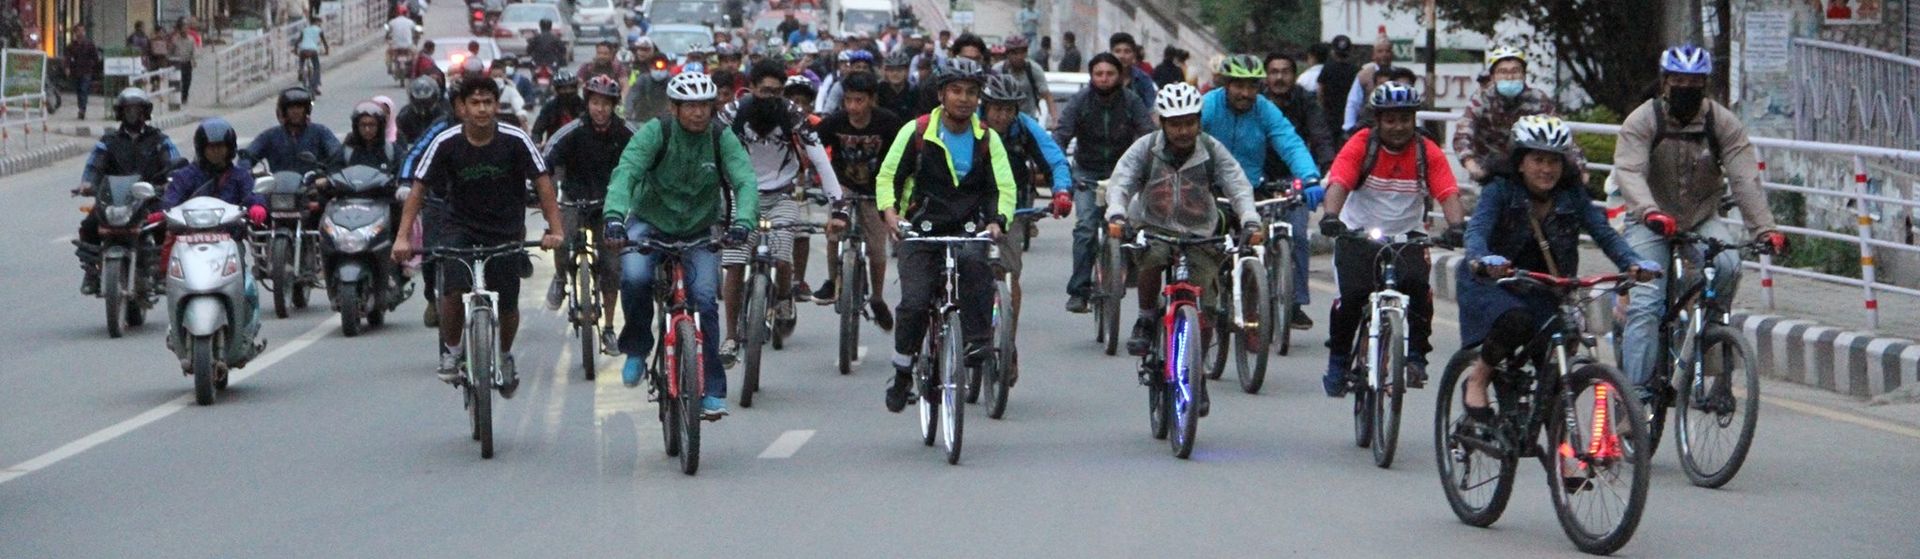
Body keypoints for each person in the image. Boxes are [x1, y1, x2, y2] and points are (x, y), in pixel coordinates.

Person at [1455, 116, 1660, 429]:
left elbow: (1603, 232)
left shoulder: (1571, 195)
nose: (1546, 170)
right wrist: (1484, 258)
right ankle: (1479, 377)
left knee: (1557, 366)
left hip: (1544, 286)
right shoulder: (1500, 190)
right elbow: (1477, 231)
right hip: (1494, 281)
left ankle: (1564, 460)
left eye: (1554, 161)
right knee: (1515, 321)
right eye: (1537, 160)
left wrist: (1631, 262)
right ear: (1520, 162)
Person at [1614, 45, 1789, 405]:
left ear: (1705, 84)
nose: (1686, 88)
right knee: (1646, 304)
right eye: (1678, 80)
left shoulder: (1722, 122)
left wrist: (1765, 229)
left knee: (1727, 265)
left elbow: (1744, 180)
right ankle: (1634, 397)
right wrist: (1648, 211)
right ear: (1664, 83)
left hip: (1700, 217)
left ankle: (1710, 346)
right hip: (1650, 220)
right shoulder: (1642, 120)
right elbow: (1629, 171)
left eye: (1694, 82)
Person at [392, 73, 564, 397]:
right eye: (475, 103)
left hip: (506, 230)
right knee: (453, 290)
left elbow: (542, 183)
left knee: (510, 303)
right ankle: (454, 350)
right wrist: (403, 238)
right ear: (461, 108)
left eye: (488, 102)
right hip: (460, 228)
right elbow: (418, 190)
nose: (482, 109)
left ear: (497, 106)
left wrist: (555, 230)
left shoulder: (515, 139)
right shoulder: (445, 142)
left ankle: (504, 354)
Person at [603, 72, 759, 417]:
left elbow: (745, 180)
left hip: (699, 229)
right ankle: (638, 348)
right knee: (635, 277)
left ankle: (713, 390)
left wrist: (743, 223)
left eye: (704, 105)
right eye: (690, 106)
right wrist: (614, 217)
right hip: (650, 222)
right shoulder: (655, 132)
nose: (698, 113)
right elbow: (626, 172)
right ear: (674, 108)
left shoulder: (721, 137)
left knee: (704, 299)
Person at [1107, 82, 1262, 415]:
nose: (1183, 130)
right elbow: (1122, 181)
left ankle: (1197, 373)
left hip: (1199, 232)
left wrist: (1249, 218)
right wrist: (1117, 213)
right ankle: (1147, 318)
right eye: (1175, 123)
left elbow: (1236, 183)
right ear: (1162, 123)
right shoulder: (1145, 148)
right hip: (1154, 225)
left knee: (1205, 307)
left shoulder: (1211, 149)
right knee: (1152, 258)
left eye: (1189, 122)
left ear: (1198, 122)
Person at [873, 57, 1019, 412]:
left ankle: (977, 341)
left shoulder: (987, 139)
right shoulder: (917, 132)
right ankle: (903, 370)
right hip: (920, 230)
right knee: (916, 301)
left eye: (971, 92)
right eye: (956, 91)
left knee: (975, 266)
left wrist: (998, 220)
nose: (964, 99)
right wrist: (890, 214)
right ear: (942, 94)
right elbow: (887, 177)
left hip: (968, 227)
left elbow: (1005, 185)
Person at [1318, 82, 1466, 397]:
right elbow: (1341, 180)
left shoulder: (1426, 151)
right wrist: (1331, 216)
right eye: (1390, 120)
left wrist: (1456, 225)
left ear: (1414, 120)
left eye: (1405, 119)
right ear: (1378, 120)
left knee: (1418, 290)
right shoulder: (1362, 144)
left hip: (1407, 236)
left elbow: (1447, 190)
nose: (1398, 127)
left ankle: (1415, 356)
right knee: (1352, 299)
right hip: (1357, 233)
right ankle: (1339, 360)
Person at [714, 59, 847, 367]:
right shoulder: (731, 114)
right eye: (764, 90)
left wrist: (838, 206)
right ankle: (731, 337)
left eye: (776, 91)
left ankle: (785, 298)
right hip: (741, 196)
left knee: (782, 252)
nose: (770, 97)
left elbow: (820, 160)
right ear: (750, 89)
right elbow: (711, 153)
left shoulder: (793, 115)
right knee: (734, 264)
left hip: (782, 195)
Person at [1205, 54, 1325, 330]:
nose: (1246, 93)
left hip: (1249, 190)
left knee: (1256, 242)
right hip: (1210, 190)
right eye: (1238, 85)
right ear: (1225, 84)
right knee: (1208, 247)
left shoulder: (1264, 109)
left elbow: (1289, 141)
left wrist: (1309, 178)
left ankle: (1255, 306)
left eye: (1251, 86)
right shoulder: (1209, 106)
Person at [976, 72, 1073, 378]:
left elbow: (1055, 159)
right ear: (985, 106)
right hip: (968, 207)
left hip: (1011, 209)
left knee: (1008, 273)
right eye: (996, 108)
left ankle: (1007, 343)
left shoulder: (1025, 129)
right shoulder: (968, 128)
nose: (1002, 115)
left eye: (1009, 109)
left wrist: (1061, 191)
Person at [1054, 53, 1155, 314]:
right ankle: (1078, 291)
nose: (1104, 78)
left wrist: (1146, 167)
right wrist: (1058, 169)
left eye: (1110, 74)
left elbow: (1147, 135)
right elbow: (1061, 135)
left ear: (1120, 76)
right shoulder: (1080, 103)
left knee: (1133, 224)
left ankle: (1128, 268)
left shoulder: (1132, 102)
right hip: (1087, 173)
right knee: (1086, 227)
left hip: (1123, 175)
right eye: (1098, 74)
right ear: (1091, 76)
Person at [541, 75, 635, 353]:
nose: (600, 109)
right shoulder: (572, 131)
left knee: (612, 266)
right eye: (595, 103)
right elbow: (545, 161)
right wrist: (536, 186)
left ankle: (608, 328)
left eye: (606, 104)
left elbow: (645, 159)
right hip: (573, 200)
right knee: (562, 238)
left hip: (611, 205)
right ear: (587, 104)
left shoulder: (626, 132)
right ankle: (560, 278)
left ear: (614, 106)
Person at [815, 71, 905, 325]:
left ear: (872, 100)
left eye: (859, 100)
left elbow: (902, 156)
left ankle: (877, 298)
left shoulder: (888, 123)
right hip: (843, 186)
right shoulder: (836, 122)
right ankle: (833, 280)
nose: (853, 107)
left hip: (876, 189)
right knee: (834, 229)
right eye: (849, 100)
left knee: (877, 248)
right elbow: (813, 145)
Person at [73, 88, 181, 295]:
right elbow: (94, 166)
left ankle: (161, 273)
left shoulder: (158, 140)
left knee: (165, 225)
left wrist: (170, 183)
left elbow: (174, 164)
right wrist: (87, 184)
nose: (132, 114)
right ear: (121, 112)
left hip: (149, 197)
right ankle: (91, 271)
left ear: (145, 112)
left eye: (136, 109)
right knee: (89, 225)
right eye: (128, 109)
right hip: (114, 198)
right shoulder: (109, 141)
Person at [1454, 46, 1587, 185]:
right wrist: (1470, 163)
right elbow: (1463, 131)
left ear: (1524, 75)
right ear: (1493, 77)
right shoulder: (1482, 98)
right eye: (1503, 72)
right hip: (1488, 170)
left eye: (1515, 71)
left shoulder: (1538, 99)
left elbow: (1560, 133)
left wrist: (1580, 167)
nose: (1509, 77)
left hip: (1525, 172)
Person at [1262, 52, 1337, 171]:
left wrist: (1329, 167)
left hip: (1296, 167)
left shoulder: (1305, 100)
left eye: (1285, 72)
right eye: (1274, 72)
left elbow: (1320, 135)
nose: (1279, 77)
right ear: (1266, 77)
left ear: (1295, 76)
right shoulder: (1256, 100)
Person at [242, 87, 342, 175]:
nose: (295, 111)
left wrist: (329, 174)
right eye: (291, 107)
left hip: (313, 190)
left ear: (306, 110)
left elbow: (336, 152)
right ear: (284, 111)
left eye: (299, 107)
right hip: (279, 190)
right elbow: (248, 154)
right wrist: (245, 169)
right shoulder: (270, 136)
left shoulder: (320, 132)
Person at [990, 36, 1057, 122]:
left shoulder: (1034, 69)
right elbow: (989, 97)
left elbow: (1047, 96)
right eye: (1014, 53)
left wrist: (1055, 119)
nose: (1019, 57)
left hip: (1028, 119)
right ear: (1007, 54)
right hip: (1003, 120)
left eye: (1022, 53)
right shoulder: (998, 70)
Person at [1341, 35, 1396, 135]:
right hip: (1369, 123)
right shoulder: (1363, 75)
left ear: (1392, 54)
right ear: (1373, 55)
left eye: (1387, 51)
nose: (1384, 55)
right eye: (1380, 51)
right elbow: (1353, 103)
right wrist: (1349, 127)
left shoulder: (1398, 74)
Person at [1106, 33, 1158, 114]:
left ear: (1134, 55)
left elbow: (1151, 110)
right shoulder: (1102, 77)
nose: (1122, 56)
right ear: (1111, 54)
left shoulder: (1143, 80)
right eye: (1117, 51)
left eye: (1127, 51)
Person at [1315, 35, 1359, 130]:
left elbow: (1320, 90)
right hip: (1349, 116)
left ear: (1333, 52)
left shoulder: (1327, 68)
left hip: (1329, 115)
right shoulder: (1355, 70)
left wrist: (1321, 108)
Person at [531, 70, 585, 144]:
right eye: (564, 89)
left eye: (571, 88)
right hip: (555, 148)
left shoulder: (584, 106)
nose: (568, 91)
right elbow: (537, 132)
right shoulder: (549, 107)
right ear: (557, 90)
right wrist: (536, 144)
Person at [815, 49, 874, 115]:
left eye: (865, 68)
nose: (861, 70)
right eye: (858, 67)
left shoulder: (877, 86)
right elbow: (828, 111)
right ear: (851, 68)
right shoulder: (840, 86)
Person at [623, 51, 673, 124]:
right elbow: (632, 96)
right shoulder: (643, 80)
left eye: (662, 68)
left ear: (668, 67)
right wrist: (628, 113)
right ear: (650, 67)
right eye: (655, 67)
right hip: (642, 120)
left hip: (665, 122)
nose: (658, 71)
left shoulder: (672, 82)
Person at [397, 76, 447, 149]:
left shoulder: (443, 115)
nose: (422, 106)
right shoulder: (404, 116)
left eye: (426, 102)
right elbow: (398, 140)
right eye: (419, 102)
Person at [66, 25, 103, 121]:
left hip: (87, 71)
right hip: (76, 71)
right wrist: (67, 67)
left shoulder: (89, 45)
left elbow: (95, 57)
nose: (81, 33)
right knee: (78, 90)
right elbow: (68, 58)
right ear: (75, 33)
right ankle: (80, 107)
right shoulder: (72, 46)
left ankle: (82, 109)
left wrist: (94, 66)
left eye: (82, 31)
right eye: (79, 31)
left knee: (84, 89)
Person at [877, 50, 921, 118]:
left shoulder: (913, 90)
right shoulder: (880, 89)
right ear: (886, 72)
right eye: (891, 70)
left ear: (907, 71)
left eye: (899, 70)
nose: (895, 73)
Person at [293, 16, 328, 94]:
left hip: (303, 49)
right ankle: (314, 85)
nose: (320, 25)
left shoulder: (305, 30)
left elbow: (297, 42)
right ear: (316, 22)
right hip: (312, 50)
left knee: (301, 60)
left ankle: (301, 70)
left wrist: (295, 51)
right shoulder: (319, 30)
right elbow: (325, 42)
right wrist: (326, 51)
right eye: (320, 23)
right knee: (316, 67)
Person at [170, 17, 198, 105]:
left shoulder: (191, 39)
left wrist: (194, 59)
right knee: (178, 81)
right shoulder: (175, 39)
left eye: (187, 27)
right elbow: (170, 51)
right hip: (178, 63)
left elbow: (194, 51)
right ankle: (178, 98)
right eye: (184, 27)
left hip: (187, 62)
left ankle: (185, 97)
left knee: (187, 81)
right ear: (180, 28)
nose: (185, 29)